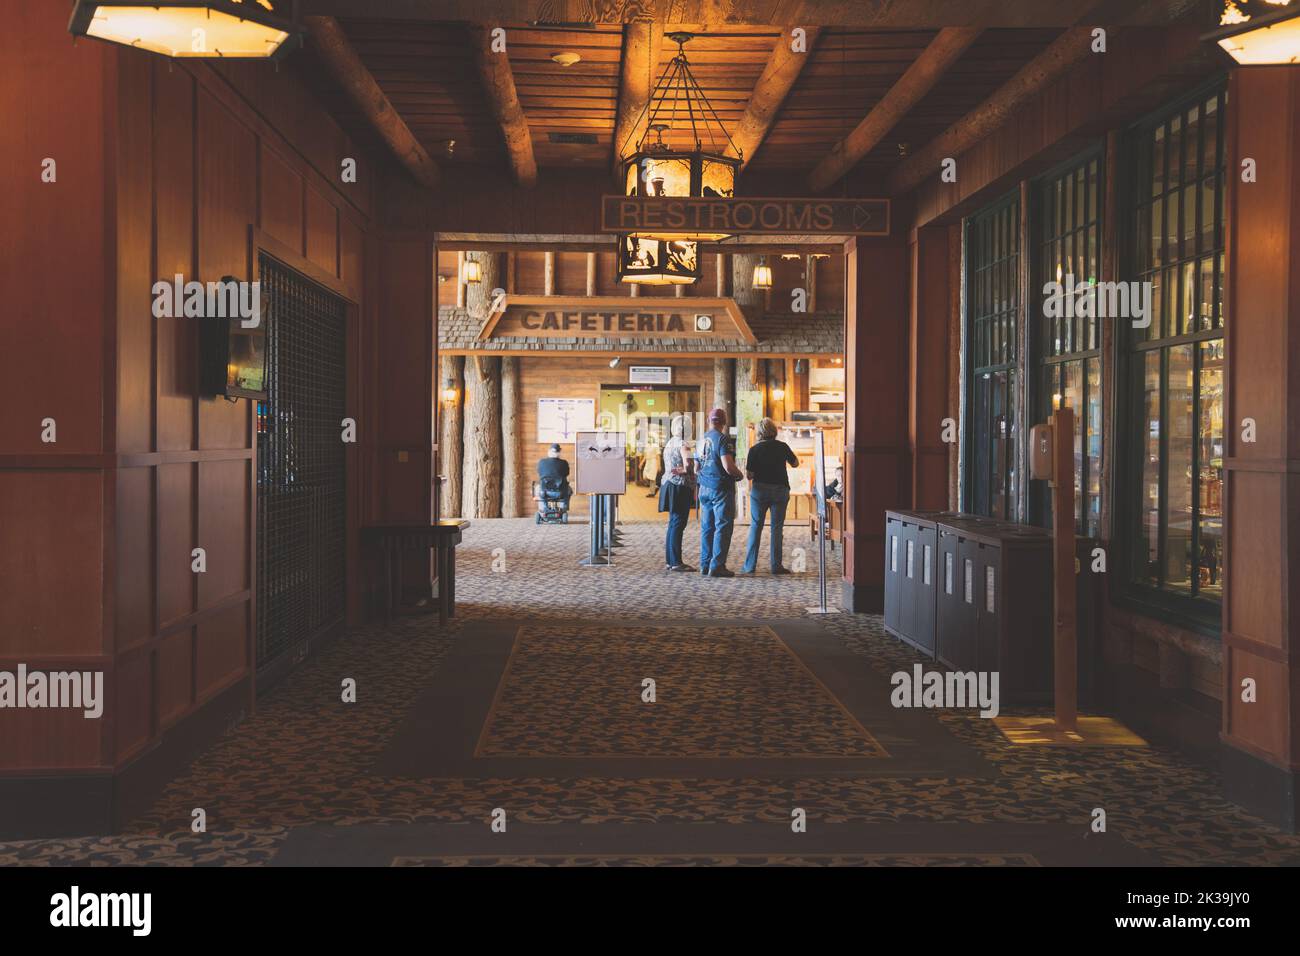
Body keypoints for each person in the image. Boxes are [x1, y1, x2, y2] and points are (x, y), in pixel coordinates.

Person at [741, 417, 799, 575]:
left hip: (759, 491)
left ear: (759, 433)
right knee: (776, 528)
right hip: (780, 490)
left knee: (756, 527)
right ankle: (776, 566)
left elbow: (750, 475)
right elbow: (795, 463)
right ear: (774, 431)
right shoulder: (782, 447)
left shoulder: (754, 450)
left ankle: (749, 566)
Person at [695, 407, 744, 577]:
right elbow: (728, 466)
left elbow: (696, 467)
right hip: (720, 488)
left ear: (709, 421)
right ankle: (717, 566)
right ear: (723, 422)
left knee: (707, 527)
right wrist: (740, 475)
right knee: (722, 527)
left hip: (704, 488)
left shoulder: (702, 440)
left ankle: (705, 564)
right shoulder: (723, 440)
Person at [658, 415, 696, 571]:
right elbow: (688, 463)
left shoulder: (670, 443)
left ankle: (670, 560)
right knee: (679, 523)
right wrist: (688, 469)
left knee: (673, 523)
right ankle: (676, 562)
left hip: (668, 484)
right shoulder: (682, 444)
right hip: (680, 486)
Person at [536, 443, 572, 511]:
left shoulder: (541, 462)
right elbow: (567, 474)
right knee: (570, 491)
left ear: (549, 451)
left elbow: (540, 473)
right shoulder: (564, 463)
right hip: (560, 492)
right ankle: (564, 507)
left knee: (537, 489)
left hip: (545, 492)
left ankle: (544, 507)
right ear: (559, 452)